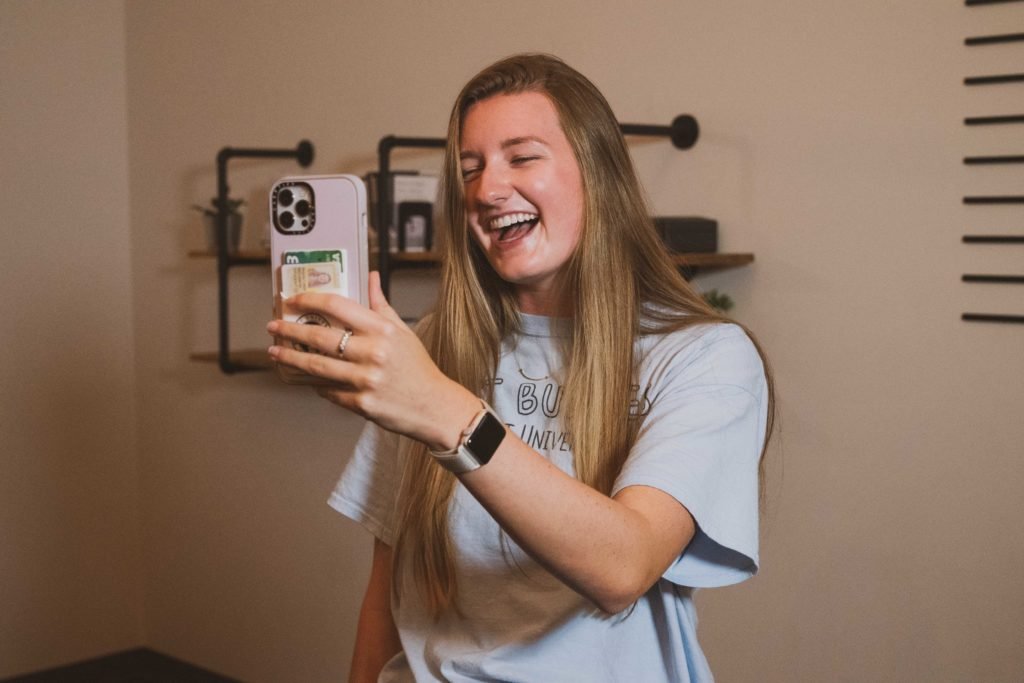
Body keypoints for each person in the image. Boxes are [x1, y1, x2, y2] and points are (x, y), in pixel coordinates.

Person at [266, 53, 775, 683]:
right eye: (469, 169)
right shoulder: (431, 350)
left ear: (599, 173)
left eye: (522, 156)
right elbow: (388, 588)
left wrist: (444, 413)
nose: (486, 189)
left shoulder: (704, 356)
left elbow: (624, 568)